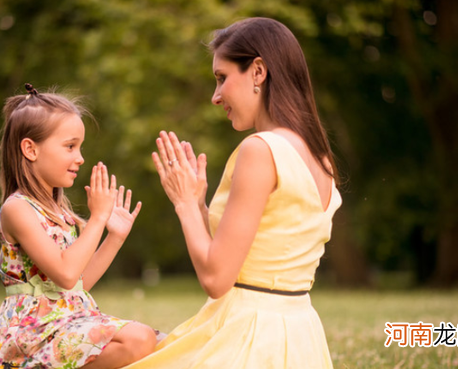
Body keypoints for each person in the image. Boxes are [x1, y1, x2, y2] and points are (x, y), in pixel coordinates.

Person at [123, 17, 342, 369]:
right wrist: (198, 203)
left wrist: (183, 205)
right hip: (301, 342)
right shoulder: (320, 157)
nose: (216, 96)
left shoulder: (260, 150)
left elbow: (216, 278)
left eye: (222, 78)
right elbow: (257, 253)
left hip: (247, 340)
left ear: (258, 71)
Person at [0, 83, 161, 369]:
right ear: (30, 149)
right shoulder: (17, 209)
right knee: (140, 340)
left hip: (67, 324)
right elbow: (67, 274)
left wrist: (114, 237)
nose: (80, 158)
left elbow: (77, 286)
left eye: (80, 147)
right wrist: (96, 219)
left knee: (163, 343)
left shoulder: (59, 212)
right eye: (70, 146)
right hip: (34, 338)